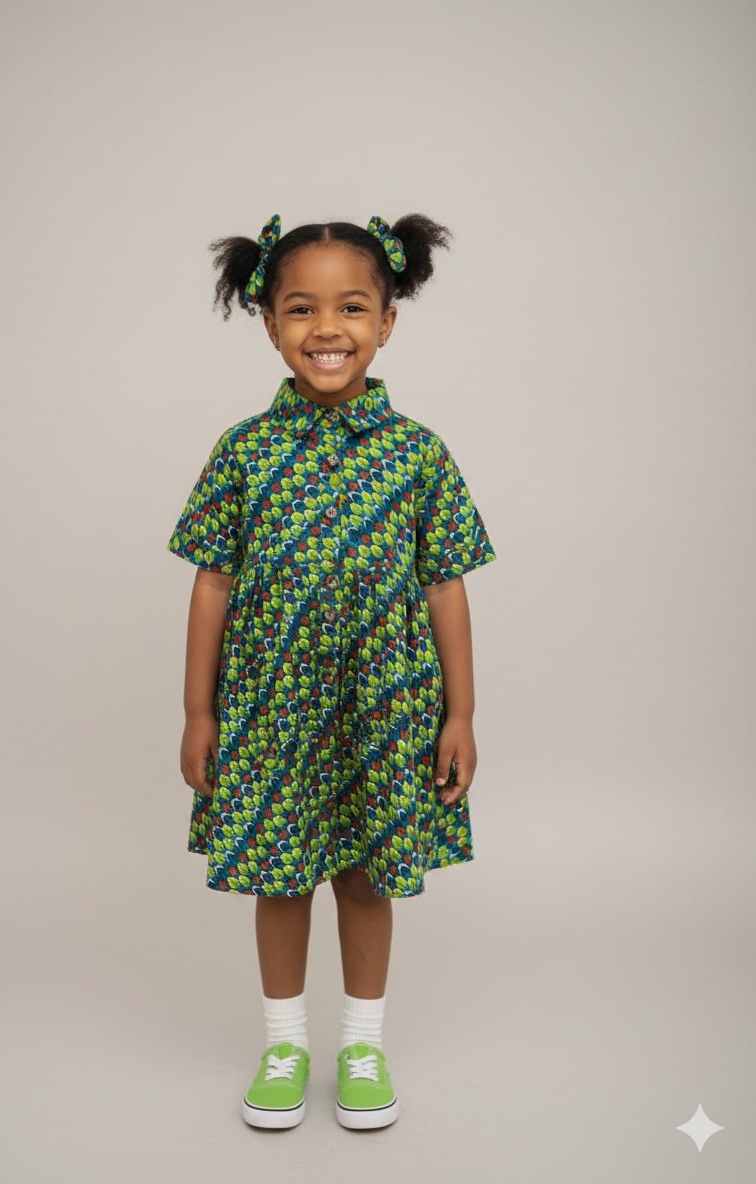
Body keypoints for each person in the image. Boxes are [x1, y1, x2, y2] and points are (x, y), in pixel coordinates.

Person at [166, 212, 497, 1130]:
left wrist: (461, 715)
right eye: (301, 308)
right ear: (269, 322)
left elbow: (445, 586)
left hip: (384, 708)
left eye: (351, 308)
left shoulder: (417, 453)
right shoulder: (244, 451)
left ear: (386, 322)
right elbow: (211, 583)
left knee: (364, 877)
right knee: (280, 877)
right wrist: (197, 711)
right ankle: (284, 1044)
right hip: (271, 706)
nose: (327, 329)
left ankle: (361, 1043)